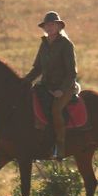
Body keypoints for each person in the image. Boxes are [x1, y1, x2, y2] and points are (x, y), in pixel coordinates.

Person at [24, 11, 78, 159]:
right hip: (47, 86)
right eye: (47, 25)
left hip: (65, 88)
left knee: (55, 110)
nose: (49, 27)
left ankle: (59, 148)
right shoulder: (44, 44)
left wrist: (61, 90)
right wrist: (23, 82)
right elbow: (38, 68)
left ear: (59, 26)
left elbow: (71, 72)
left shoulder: (66, 45)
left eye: (52, 24)